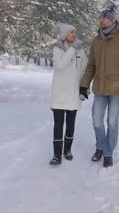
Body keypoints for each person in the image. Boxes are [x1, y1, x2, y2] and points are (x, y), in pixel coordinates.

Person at [80, 5, 119, 167]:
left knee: (112, 122)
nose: (101, 20)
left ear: (111, 21)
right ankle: (100, 145)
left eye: (104, 18)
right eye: (100, 18)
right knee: (97, 121)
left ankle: (108, 152)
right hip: (100, 88)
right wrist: (84, 85)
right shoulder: (96, 40)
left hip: (117, 89)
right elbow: (91, 66)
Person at [49, 23, 86, 165]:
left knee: (71, 124)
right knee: (58, 124)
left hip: (73, 93)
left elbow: (84, 70)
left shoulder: (81, 51)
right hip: (59, 93)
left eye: (75, 32)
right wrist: (72, 49)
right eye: (71, 32)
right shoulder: (57, 48)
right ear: (64, 34)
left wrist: (84, 88)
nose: (74, 35)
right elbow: (60, 65)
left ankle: (67, 150)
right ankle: (56, 155)